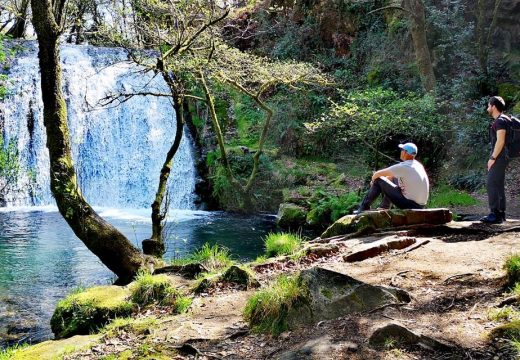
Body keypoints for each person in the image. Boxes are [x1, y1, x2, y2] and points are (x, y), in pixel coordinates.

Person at [355, 142, 429, 213]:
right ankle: (384, 206)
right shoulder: (418, 165)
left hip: (409, 205)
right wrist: (385, 185)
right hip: (420, 206)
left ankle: (363, 208)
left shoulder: (404, 166)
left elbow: (377, 174)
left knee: (378, 179)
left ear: (405, 153)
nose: (401, 152)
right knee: (393, 177)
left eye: (402, 150)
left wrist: (374, 182)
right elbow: (390, 177)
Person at [480, 96, 509, 224]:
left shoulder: (500, 122)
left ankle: (495, 214)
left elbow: (500, 140)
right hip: (503, 157)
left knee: (491, 183)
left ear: (493, 106)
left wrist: (492, 158)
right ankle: (501, 214)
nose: (487, 108)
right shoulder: (505, 120)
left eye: (488, 105)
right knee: (498, 184)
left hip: (499, 157)